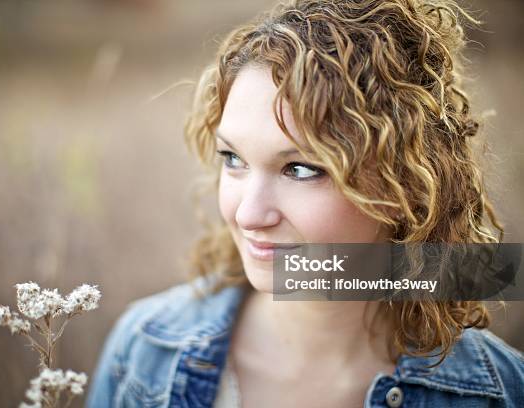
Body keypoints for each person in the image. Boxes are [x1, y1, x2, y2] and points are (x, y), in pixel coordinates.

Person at [86, 0, 524, 406]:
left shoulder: (501, 392)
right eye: (233, 159)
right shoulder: (142, 352)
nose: (247, 214)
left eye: (300, 169)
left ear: (403, 185)